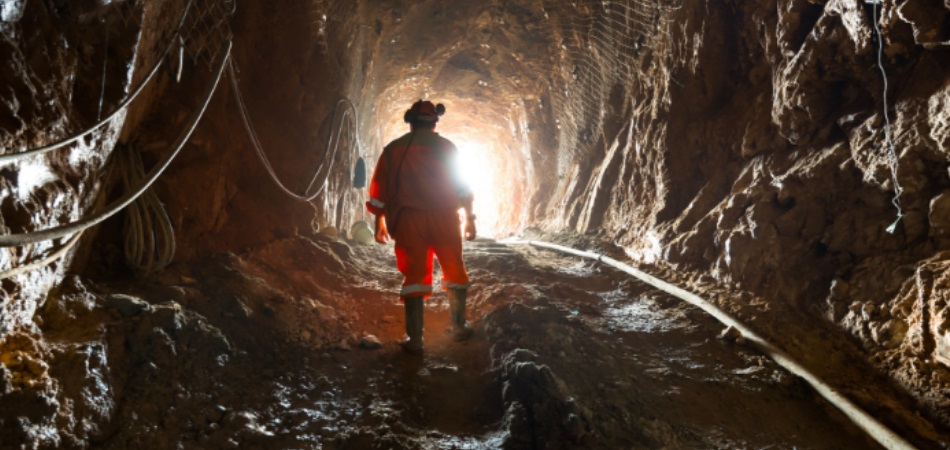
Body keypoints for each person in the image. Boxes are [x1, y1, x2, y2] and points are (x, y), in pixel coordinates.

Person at [365, 100, 477, 354]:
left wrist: (379, 223)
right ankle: (459, 327)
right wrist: (469, 219)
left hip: (409, 221)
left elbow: (379, 193)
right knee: (454, 268)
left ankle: (415, 340)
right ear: (435, 122)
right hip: (445, 218)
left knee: (414, 275)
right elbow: (463, 188)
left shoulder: (393, 150)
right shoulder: (447, 148)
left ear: (410, 121)